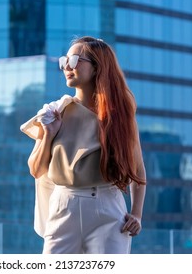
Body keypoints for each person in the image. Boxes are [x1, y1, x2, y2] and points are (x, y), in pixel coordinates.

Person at [20, 36, 146, 254]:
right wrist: (49, 134)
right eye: (64, 61)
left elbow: (137, 168)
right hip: (63, 207)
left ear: (97, 67)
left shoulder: (120, 117)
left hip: (108, 208)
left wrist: (137, 214)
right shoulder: (56, 111)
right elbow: (36, 170)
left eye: (75, 60)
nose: (67, 67)